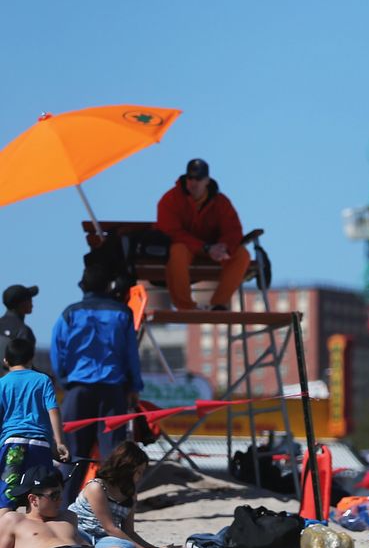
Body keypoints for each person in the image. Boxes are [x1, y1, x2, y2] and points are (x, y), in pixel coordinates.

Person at [50, 264, 144, 507]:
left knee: (71, 454)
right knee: (114, 456)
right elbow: (131, 355)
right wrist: (134, 385)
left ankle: (63, 509)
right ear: (110, 286)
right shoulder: (123, 313)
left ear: (83, 286)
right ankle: (111, 509)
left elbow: (57, 351)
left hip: (78, 390)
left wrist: (66, 381)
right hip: (113, 391)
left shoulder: (69, 313)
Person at [0, 465, 164, 548]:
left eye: (61, 493)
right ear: (33, 499)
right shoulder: (14, 520)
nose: (61, 500)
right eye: (54, 495)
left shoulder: (68, 516)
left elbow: (79, 541)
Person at [156, 157, 250, 311]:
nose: (194, 183)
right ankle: (185, 306)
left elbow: (233, 230)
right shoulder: (170, 200)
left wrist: (224, 247)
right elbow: (171, 232)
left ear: (207, 180)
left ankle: (218, 304)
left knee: (242, 255)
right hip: (187, 250)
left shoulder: (221, 202)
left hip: (214, 253)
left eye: (198, 179)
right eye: (190, 178)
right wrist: (205, 247)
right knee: (177, 250)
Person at [0, 337, 69, 509]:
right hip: (40, 444)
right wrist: (59, 441)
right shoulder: (43, 380)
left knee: (7, 496)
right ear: (31, 359)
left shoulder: (2, 383)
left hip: (12, 444)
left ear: (5, 360)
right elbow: (53, 410)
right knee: (40, 495)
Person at [67, 442, 158, 548]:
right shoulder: (97, 487)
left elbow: (129, 532)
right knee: (68, 540)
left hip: (103, 539)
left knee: (128, 547)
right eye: (139, 472)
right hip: (81, 532)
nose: (140, 477)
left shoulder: (130, 493)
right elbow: (110, 528)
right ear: (126, 469)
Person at [0, 284, 38, 378]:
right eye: (29, 299)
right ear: (21, 304)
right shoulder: (24, 331)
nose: (32, 303)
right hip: (11, 386)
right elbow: (24, 367)